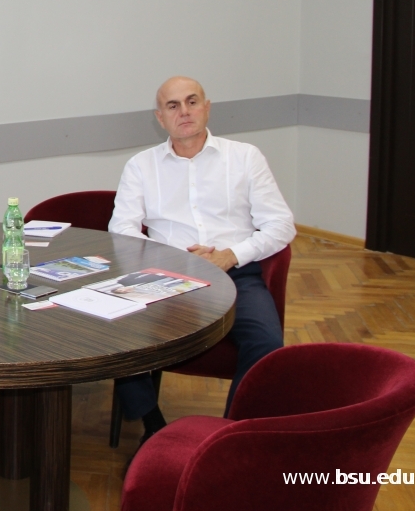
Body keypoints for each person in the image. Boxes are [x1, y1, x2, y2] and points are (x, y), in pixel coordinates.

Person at [108, 76, 295, 445]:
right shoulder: (141, 165)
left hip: (235, 273)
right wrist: (174, 259)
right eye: (173, 105)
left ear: (207, 108)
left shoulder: (245, 157)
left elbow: (281, 225)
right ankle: (153, 425)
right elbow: (122, 228)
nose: (184, 111)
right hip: (164, 276)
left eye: (192, 101)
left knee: (268, 344)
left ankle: (231, 436)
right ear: (160, 118)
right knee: (116, 330)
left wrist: (230, 255)